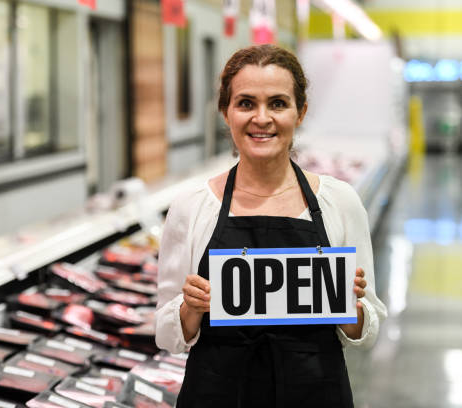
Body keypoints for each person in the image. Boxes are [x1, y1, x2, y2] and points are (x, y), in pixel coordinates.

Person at [155, 44, 387, 407]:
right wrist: (190, 308)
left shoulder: (340, 202)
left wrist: (353, 306)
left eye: (278, 103)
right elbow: (167, 335)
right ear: (225, 112)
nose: (261, 118)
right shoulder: (192, 206)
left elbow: (366, 331)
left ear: (300, 113)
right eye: (246, 103)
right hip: (217, 395)